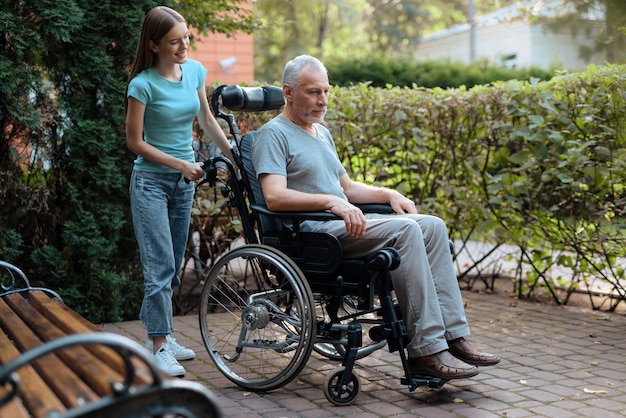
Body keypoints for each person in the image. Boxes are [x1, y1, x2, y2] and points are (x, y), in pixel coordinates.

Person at [251, 55, 500, 380]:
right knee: (407, 232)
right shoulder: (273, 135)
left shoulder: (321, 134)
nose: (322, 100)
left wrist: (387, 194)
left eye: (326, 91)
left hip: (341, 225)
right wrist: (330, 203)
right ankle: (425, 351)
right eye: (313, 92)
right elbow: (275, 196)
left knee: (432, 226)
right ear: (288, 92)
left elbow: (348, 188)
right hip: (313, 235)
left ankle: (453, 338)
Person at [125, 6, 233, 377]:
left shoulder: (196, 72)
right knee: (159, 268)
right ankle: (158, 344)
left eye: (186, 37)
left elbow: (206, 120)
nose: (183, 45)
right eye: (174, 41)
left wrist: (234, 156)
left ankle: (161, 335)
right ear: (154, 45)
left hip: (182, 185)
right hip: (151, 183)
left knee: (170, 273)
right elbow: (135, 143)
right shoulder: (142, 84)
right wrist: (180, 165)